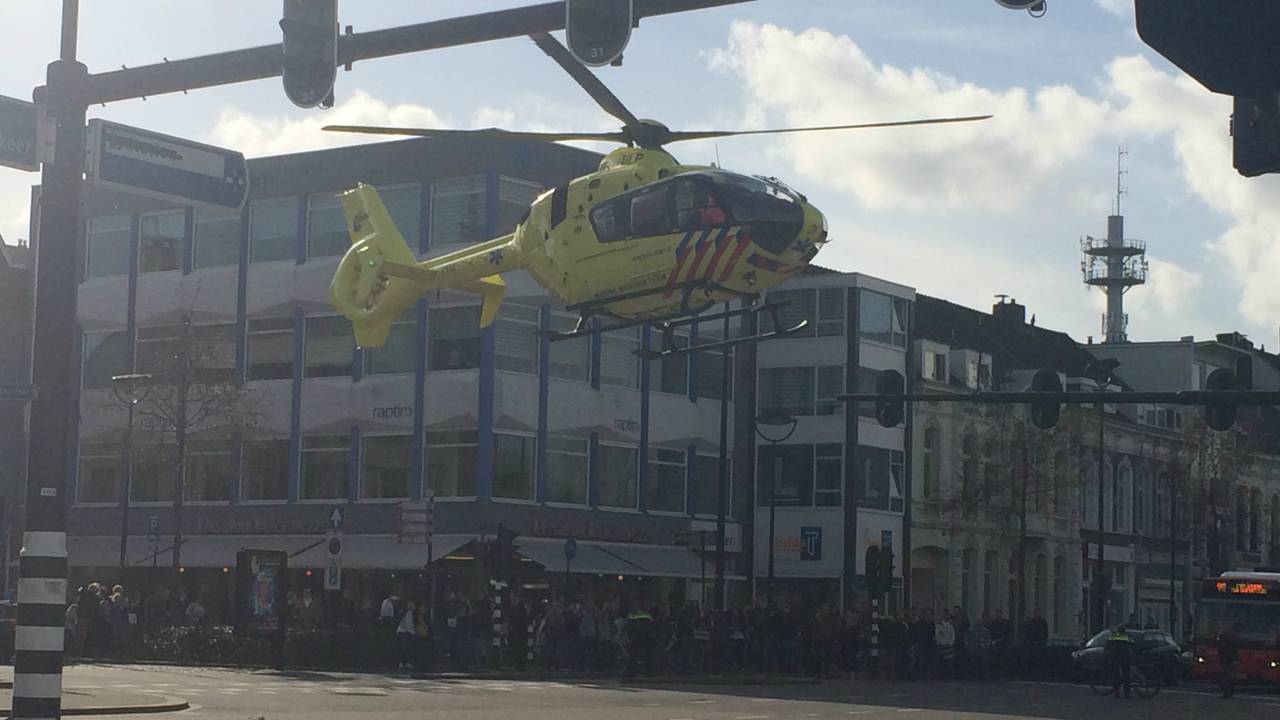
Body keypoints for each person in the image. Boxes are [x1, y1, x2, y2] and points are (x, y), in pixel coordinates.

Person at [1104, 624, 1136, 698]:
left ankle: (1117, 693)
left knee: (1116, 675)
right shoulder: (1127, 636)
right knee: (1126, 676)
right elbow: (1133, 644)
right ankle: (1127, 694)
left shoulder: (1113, 635)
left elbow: (1107, 645)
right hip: (1126, 657)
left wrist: (1109, 653)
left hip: (1116, 657)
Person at [1217, 622, 1239, 699]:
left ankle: (1226, 692)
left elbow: (1223, 650)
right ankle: (1229, 691)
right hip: (1228, 660)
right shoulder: (1232, 638)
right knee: (1228, 676)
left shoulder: (1225, 639)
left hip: (1226, 660)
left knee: (1226, 676)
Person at [395, 600, 417, 670]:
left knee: (410, 648)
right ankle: (401, 662)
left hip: (411, 631)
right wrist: (406, 610)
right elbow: (399, 617)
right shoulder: (403, 611)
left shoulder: (414, 613)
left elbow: (415, 621)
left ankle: (408, 662)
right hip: (403, 631)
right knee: (403, 647)